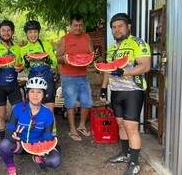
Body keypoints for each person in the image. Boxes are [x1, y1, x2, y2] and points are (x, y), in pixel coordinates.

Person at [100, 13, 150, 175]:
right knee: (120, 124)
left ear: (128, 26)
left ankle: (134, 163)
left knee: (131, 127)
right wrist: (103, 88)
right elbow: (108, 69)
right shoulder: (112, 48)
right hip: (116, 91)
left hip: (133, 91)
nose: (117, 30)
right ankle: (125, 153)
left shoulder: (138, 43)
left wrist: (124, 71)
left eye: (120, 26)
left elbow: (145, 66)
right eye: (114, 27)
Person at [0, 77, 61, 175]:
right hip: (20, 145)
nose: (35, 95)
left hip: (38, 144)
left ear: (44, 95)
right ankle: (11, 169)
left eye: (39, 92)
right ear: (27, 93)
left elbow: (47, 134)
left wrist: (45, 148)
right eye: (32, 91)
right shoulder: (18, 108)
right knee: (4, 145)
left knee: (54, 161)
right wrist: (12, 135)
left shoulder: (47, 113)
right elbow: (10, 126)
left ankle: (37, 157)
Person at [57, 14, 94, 141]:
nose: (78, 28)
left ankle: (82, 125)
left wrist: (89, 59)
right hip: (68, 76)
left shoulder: (87, 37)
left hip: (83, 75)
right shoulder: (64, 39)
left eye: (80, 25)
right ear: (70, 25)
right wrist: (67, 60)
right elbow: (58, 58)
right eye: (75, 25)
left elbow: (91, 54)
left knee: (87, 102)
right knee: (70, 103)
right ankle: (72, 129)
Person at [0, 20, 23, 140]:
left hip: (13, 86)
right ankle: (4, 141)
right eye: (3, 30)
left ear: (12, 32)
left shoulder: (18, 49)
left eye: (8, 30)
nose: (6, 33)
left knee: (18, 113)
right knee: (1, 115)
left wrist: (20, 68)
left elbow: (19, 65)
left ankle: (16, 138)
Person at [21, 20, 58, 112]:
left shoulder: (46, 45)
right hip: (33, 81)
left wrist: (48, 59)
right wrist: (26, 62)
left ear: (38, 32)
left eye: (35, 32)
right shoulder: (23, 49)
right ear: (26, 34)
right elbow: (25, 70)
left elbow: (55, 63)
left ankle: (52, 127)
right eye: (30, 32)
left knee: (49, 110)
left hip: (47, 79)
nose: (33, 34)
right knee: (35, 110)